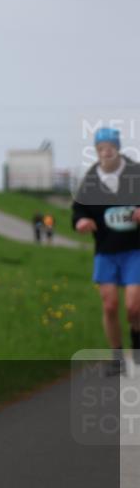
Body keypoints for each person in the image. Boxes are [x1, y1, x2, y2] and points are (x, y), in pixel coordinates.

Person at [72, 127, 140, 377]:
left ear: (118, 148)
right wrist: (81, 222)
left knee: (134, 306)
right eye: (101, 148)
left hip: (135, 250)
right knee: (110, 305)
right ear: (97, 151)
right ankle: (117, 358)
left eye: (110, 147)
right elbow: (79, 211)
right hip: (105, 250)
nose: (106, 152)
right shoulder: (91, 179)